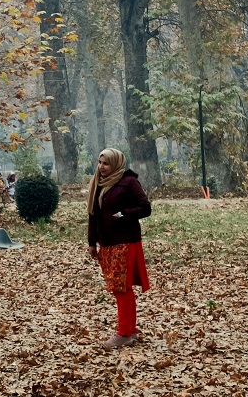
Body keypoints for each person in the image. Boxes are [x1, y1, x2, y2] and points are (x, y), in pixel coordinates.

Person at [87, 148, 151, 349]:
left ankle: (123, 332)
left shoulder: (128, 181)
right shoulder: (98, 183)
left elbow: (145, 207)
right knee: (120, 288)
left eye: (106, 163)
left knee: (120, 287)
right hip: (106, 243)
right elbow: (93, 214)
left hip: (125, 241)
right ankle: (130, 331)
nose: (101, 167)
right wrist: (91, 242)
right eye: (100, 162)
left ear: (116, 164)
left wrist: (123, 214)